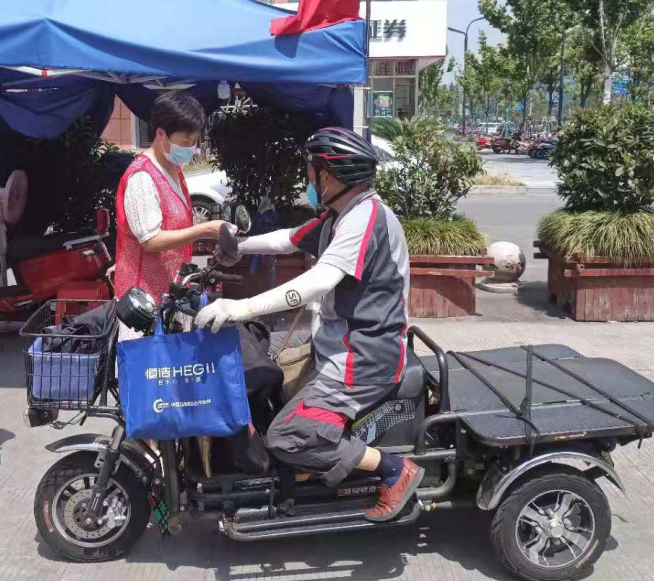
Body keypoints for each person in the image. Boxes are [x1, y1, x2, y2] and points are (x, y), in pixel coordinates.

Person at [195, 127, 423, 523]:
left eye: (311, 171)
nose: (308, 179)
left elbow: (316, 283)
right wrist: (239, 245)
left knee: (285, 435)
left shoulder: (364, 219)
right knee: (266, 377)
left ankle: (393, 469)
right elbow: (288, 239)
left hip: (363, 360)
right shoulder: (341, 215)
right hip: (339, 346)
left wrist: (240, 307)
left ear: (329, 176)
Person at [114, 92, 225, 335]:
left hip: (168, 294)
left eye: (195, 140)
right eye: (185, 141)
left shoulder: (173, 168)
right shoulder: (142, 177)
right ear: (161, 134)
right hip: (141, 304)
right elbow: (150, 240)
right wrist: (205, 229)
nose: (191, 148)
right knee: (147, 359)